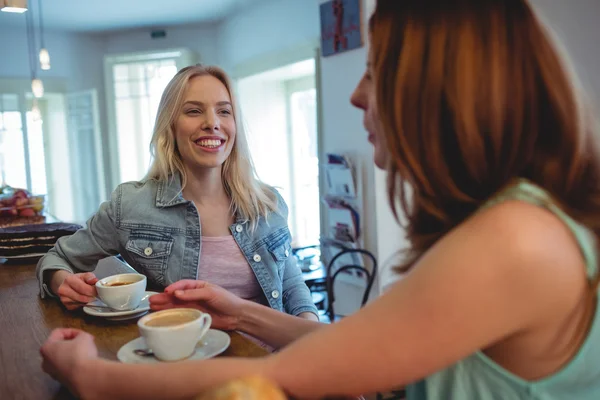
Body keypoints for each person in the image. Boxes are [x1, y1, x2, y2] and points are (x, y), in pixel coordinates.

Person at [40, 0, 600, 399]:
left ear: (438, 92)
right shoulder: (517, 223)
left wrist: (95, 378)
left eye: (376, 71)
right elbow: (351, 346)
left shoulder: (517, 241)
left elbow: (315, 369)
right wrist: (238, 310)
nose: (356, 94)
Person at [35, 64, 318, 321]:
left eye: (224, 111)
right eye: (194, 111)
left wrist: (309, 326)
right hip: (179, 366)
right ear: (170, 126)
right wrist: (62, 283)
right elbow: (56, 259)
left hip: (267, 366)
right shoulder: (130, 206)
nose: (212, 122)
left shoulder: (268, 204)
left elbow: (290, 282)